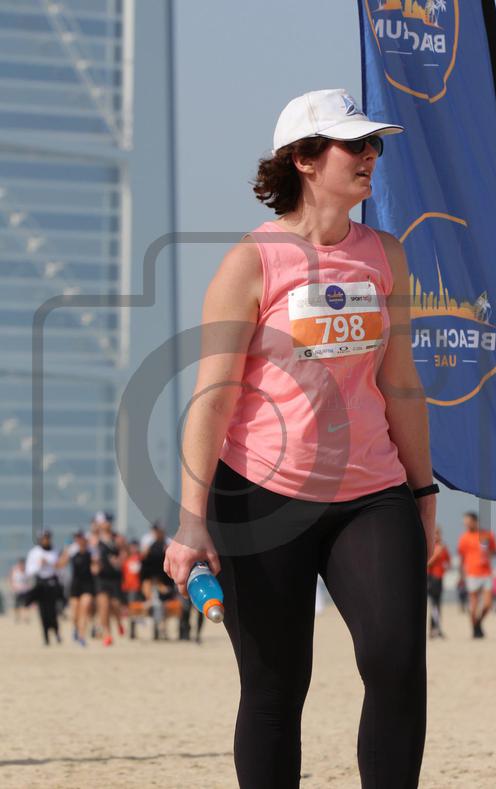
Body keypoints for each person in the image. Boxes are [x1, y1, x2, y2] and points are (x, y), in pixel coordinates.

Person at [163, 88, 438, 788]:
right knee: (275, 687)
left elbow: (400, 382)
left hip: (371, 493)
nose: (371, 154)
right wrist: (191, 521)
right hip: (260, 496)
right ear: (306, 159)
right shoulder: (252, 261)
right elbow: (213, 397)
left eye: (374, 143)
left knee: (397, 663)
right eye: (355, 143)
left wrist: (423, 492)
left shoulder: (386, 255)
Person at [457, 511, 496, 638]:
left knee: (488, 604)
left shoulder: (487, 534)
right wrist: (461, 576)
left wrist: (488, 554)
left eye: (468, 522)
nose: (466, 525)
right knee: (473, 605)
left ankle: (478, 623)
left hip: (486, 572)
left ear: (475, 522)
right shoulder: (464, 537)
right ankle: (474, 629)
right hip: (472, 573)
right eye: (465, 523)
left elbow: (495, 551)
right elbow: (461, 558)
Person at [56, 531, 95, 646]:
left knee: (85, 609)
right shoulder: (72, 550)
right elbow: (60, 564)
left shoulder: (91, 551)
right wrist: (64, 554)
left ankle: (82, 636)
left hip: (88, 584)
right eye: (77, 538)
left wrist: (96, 565)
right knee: (75, 613)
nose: (79, 540)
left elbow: (96, 567)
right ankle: (75, 629)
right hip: (75, 584)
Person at [91, 513, 124, 646]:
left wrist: (119, 560)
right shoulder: (95, 539)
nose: (107, 524)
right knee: (103, 606)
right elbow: (91, 554)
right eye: (105, 521)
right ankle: (107, 633)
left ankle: (119, 621)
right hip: (101, 577)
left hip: (114, 577)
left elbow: (125, 553)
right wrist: (94, 565)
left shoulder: (117, 538)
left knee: (115, 604)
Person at [25, 530, 61, 645]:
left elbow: (60, 568)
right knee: (43, 612)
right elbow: (29, 571)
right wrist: (39, 565)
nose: (46, 540)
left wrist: (52, 565)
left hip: (53, 583)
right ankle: (46, 638)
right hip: (40, 584)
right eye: (44, 538)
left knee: (53, 611)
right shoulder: (34, 553)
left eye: (47, 538)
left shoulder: (55, 551)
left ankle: (57, 633)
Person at [427, 526, 450, 638]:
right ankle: (434, 629)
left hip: (438, 578)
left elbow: (448, 562)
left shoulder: (443, 548)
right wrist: (437, 554)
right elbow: (427, 564)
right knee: (433, 604)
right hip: (430, 577)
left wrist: (445, 568)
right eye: (435, 533)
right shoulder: (431, 548)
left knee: (437, 604)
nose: (436, 536)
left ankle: (436, 628)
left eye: (438, 534)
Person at [9, 558, 31, 623]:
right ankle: (17, 618)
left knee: (26, 605)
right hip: (17, 590)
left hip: (25, 590)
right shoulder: (15, 570)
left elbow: (29, 580)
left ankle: (26, 618)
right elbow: (11, 579)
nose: (22, 565)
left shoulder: (27, 571)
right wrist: (12, 586)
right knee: (16, 605)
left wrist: (29, 587)